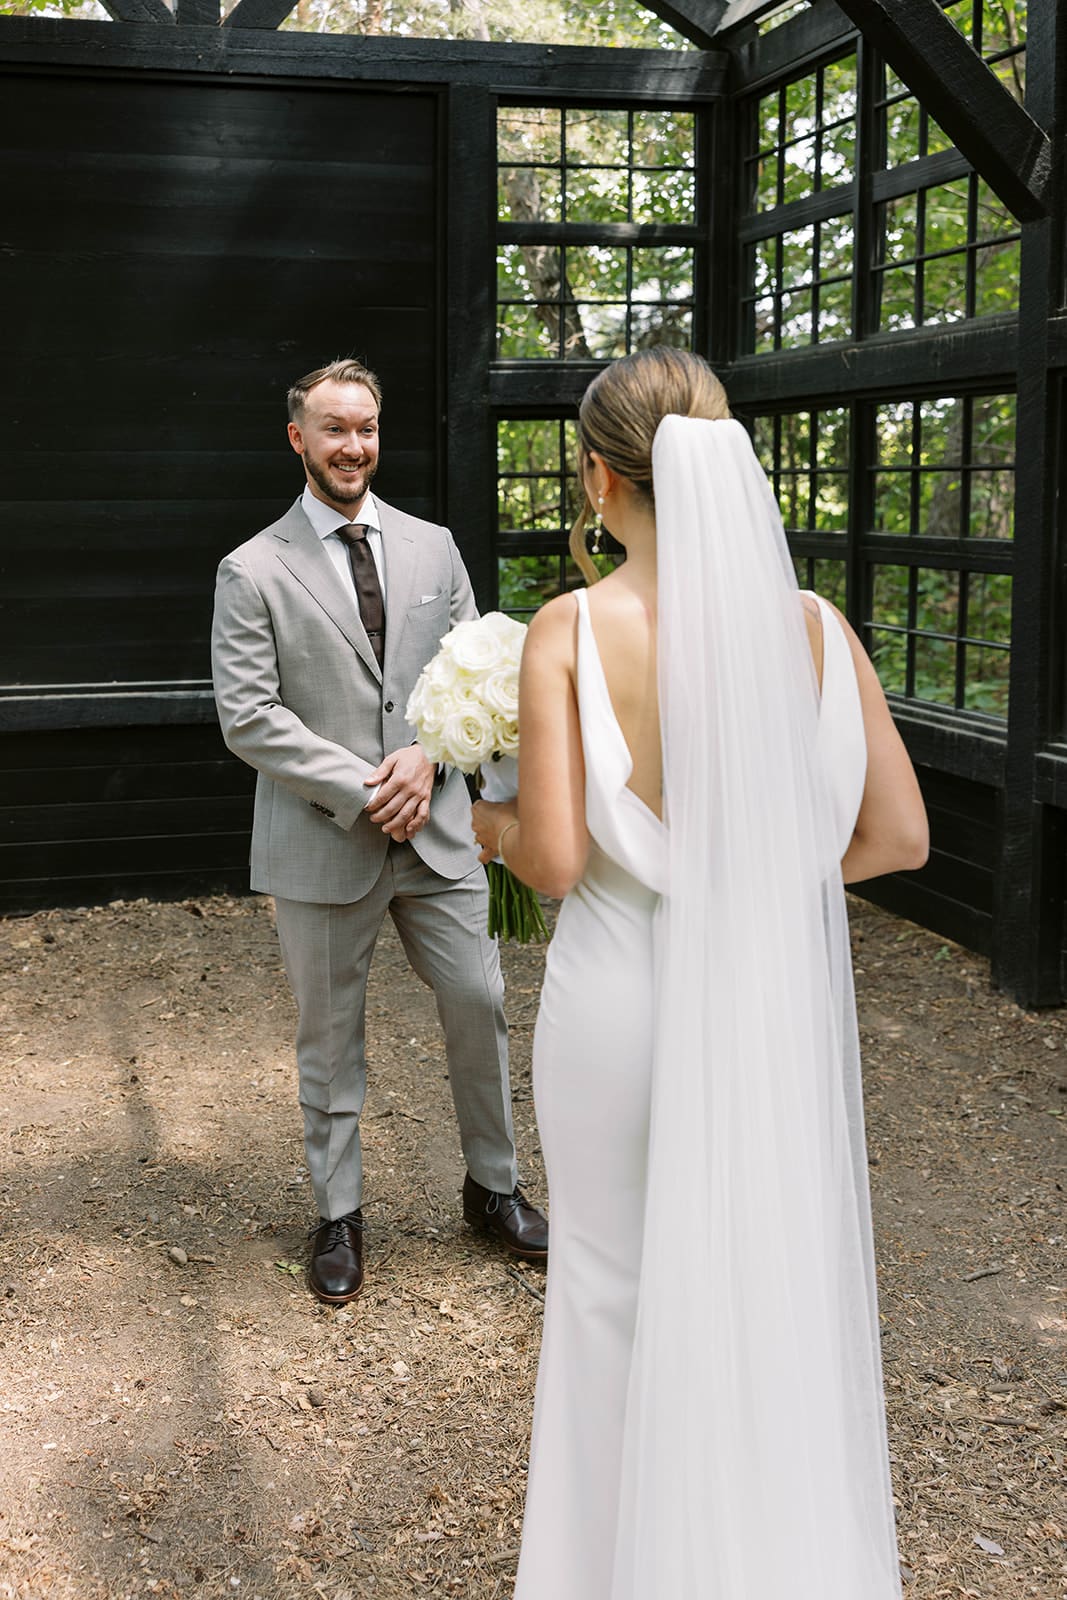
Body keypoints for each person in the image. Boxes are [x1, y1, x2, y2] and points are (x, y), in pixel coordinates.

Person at [472, 347, 929, 1598]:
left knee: (611, 1290)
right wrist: (751, 885)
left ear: (599, 477)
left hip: (618, 1002)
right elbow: (897, 838)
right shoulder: (815, 631)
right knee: (753, 1285)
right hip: (763, 1003)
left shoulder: (570, 628)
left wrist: (480, 820)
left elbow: (556, 862)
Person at [211, 357, 547, 1305]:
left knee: (479, 1002)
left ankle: (494, 1190)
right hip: (325, 841)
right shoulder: (253, 568)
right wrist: (370, 784)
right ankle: (338, 1214)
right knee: (329, 1038)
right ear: (298, 439)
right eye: (333, 429)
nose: (352, 445)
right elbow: (250, 715)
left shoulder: (435, 548)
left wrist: (429, 760)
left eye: (364, 427)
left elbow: (474, 670)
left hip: (436, 831)